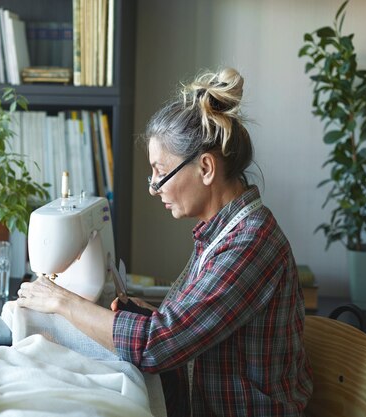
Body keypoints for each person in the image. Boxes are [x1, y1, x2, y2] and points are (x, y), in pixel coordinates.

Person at [16, 68, 313, 416]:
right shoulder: (222, 232)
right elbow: (190, 329)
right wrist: (151, 316)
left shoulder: (250, 243)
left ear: (205, 168)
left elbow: (157, 345)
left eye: (161, 172)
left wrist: (63, 302)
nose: (154, 187)